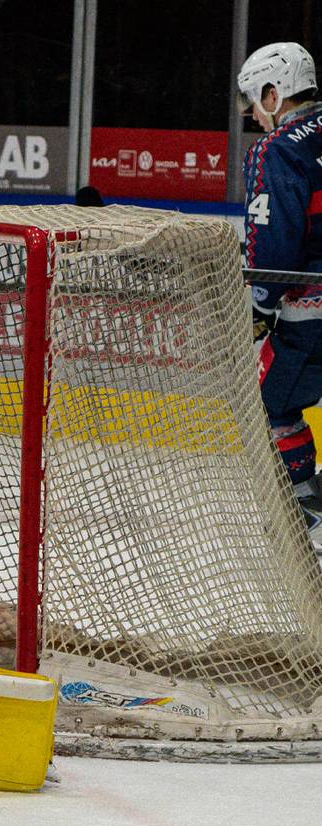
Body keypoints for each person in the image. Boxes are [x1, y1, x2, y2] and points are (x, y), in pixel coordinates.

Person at [237, 42, 322, 550]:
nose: (252, 112)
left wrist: (259, 307)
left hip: (309, 308)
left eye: (254, 98)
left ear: (275, 92)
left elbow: (274, 240)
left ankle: (309, 518)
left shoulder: (279, 148)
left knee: (273, 406)